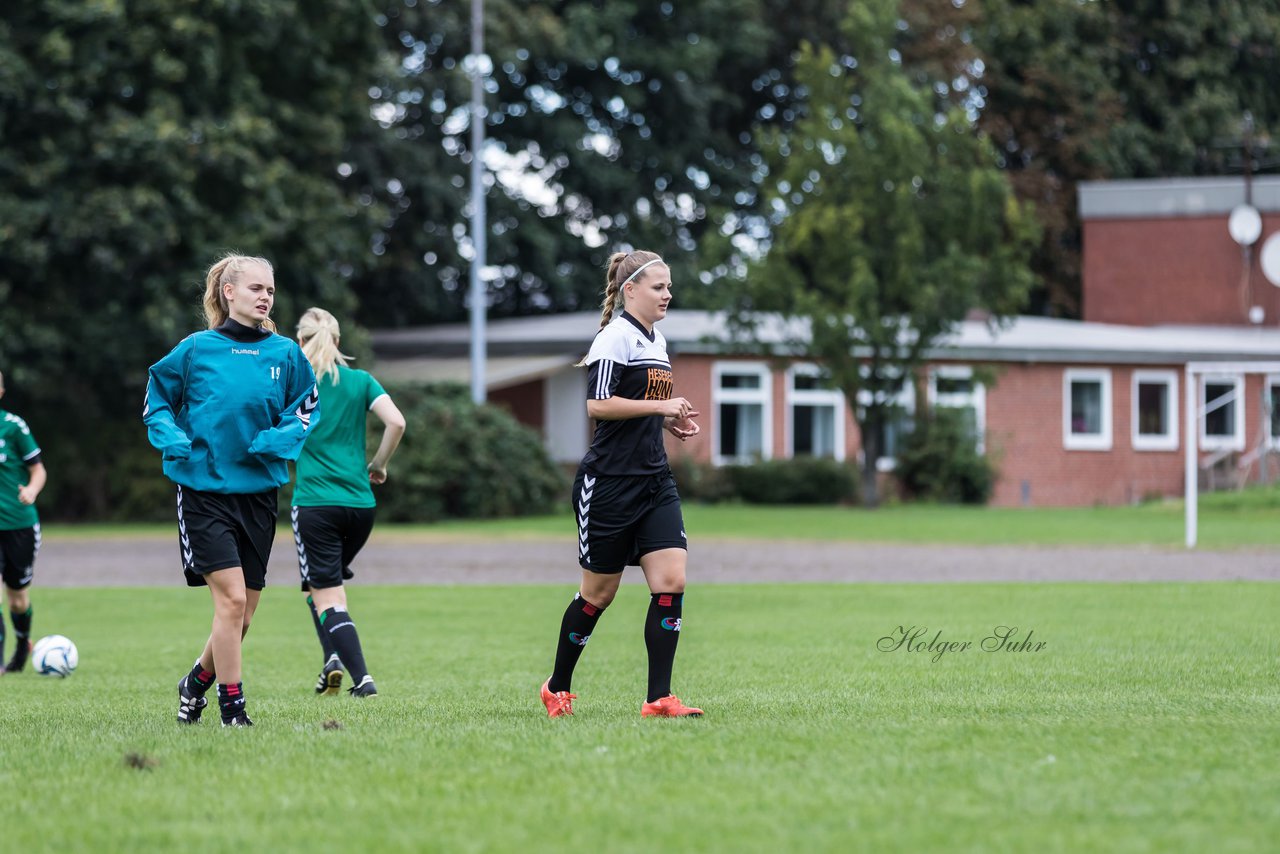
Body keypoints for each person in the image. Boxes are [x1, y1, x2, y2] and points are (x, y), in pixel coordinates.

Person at [143, 254, 319, 727]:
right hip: (203, 491)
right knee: (231, 602)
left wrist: (278, 440)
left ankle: (194, 682)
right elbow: (157, 398)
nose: (265, 297)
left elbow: (305, 408)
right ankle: (232, 708)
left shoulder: (284, 353)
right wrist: (171, 437)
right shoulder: (196, 349)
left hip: (259, 494)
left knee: (242, 617)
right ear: (229, 292)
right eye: (256, 288)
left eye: (271, 291)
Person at [539, 250, 704, 719]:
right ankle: (557, 686)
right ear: (630, 290)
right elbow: (599, 405)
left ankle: (659, 698)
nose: (667, 294)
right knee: (598, 594)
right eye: (659, 286)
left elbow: (644, 403)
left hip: (654, 480)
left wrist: (669, 421)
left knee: (671, 581)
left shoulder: (658, 339)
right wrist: (659, 408)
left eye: (669, 286)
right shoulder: (614, 338)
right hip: (608, 484)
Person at [291, 307, 405, 698]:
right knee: (317, 586)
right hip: (360, 506)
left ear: (300, 341)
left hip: (315, 504)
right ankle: (331, 661)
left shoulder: (295, 384)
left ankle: (363, 681)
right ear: (338, 341)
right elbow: (397, 422)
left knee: (329, 596)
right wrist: (379, 464)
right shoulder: (360, 380)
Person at [0, 370, 46, 674]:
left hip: (18, 525)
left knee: (17, 599)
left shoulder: (13, 427)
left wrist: (31, 489)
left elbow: (38, 470)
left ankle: (22, 644)